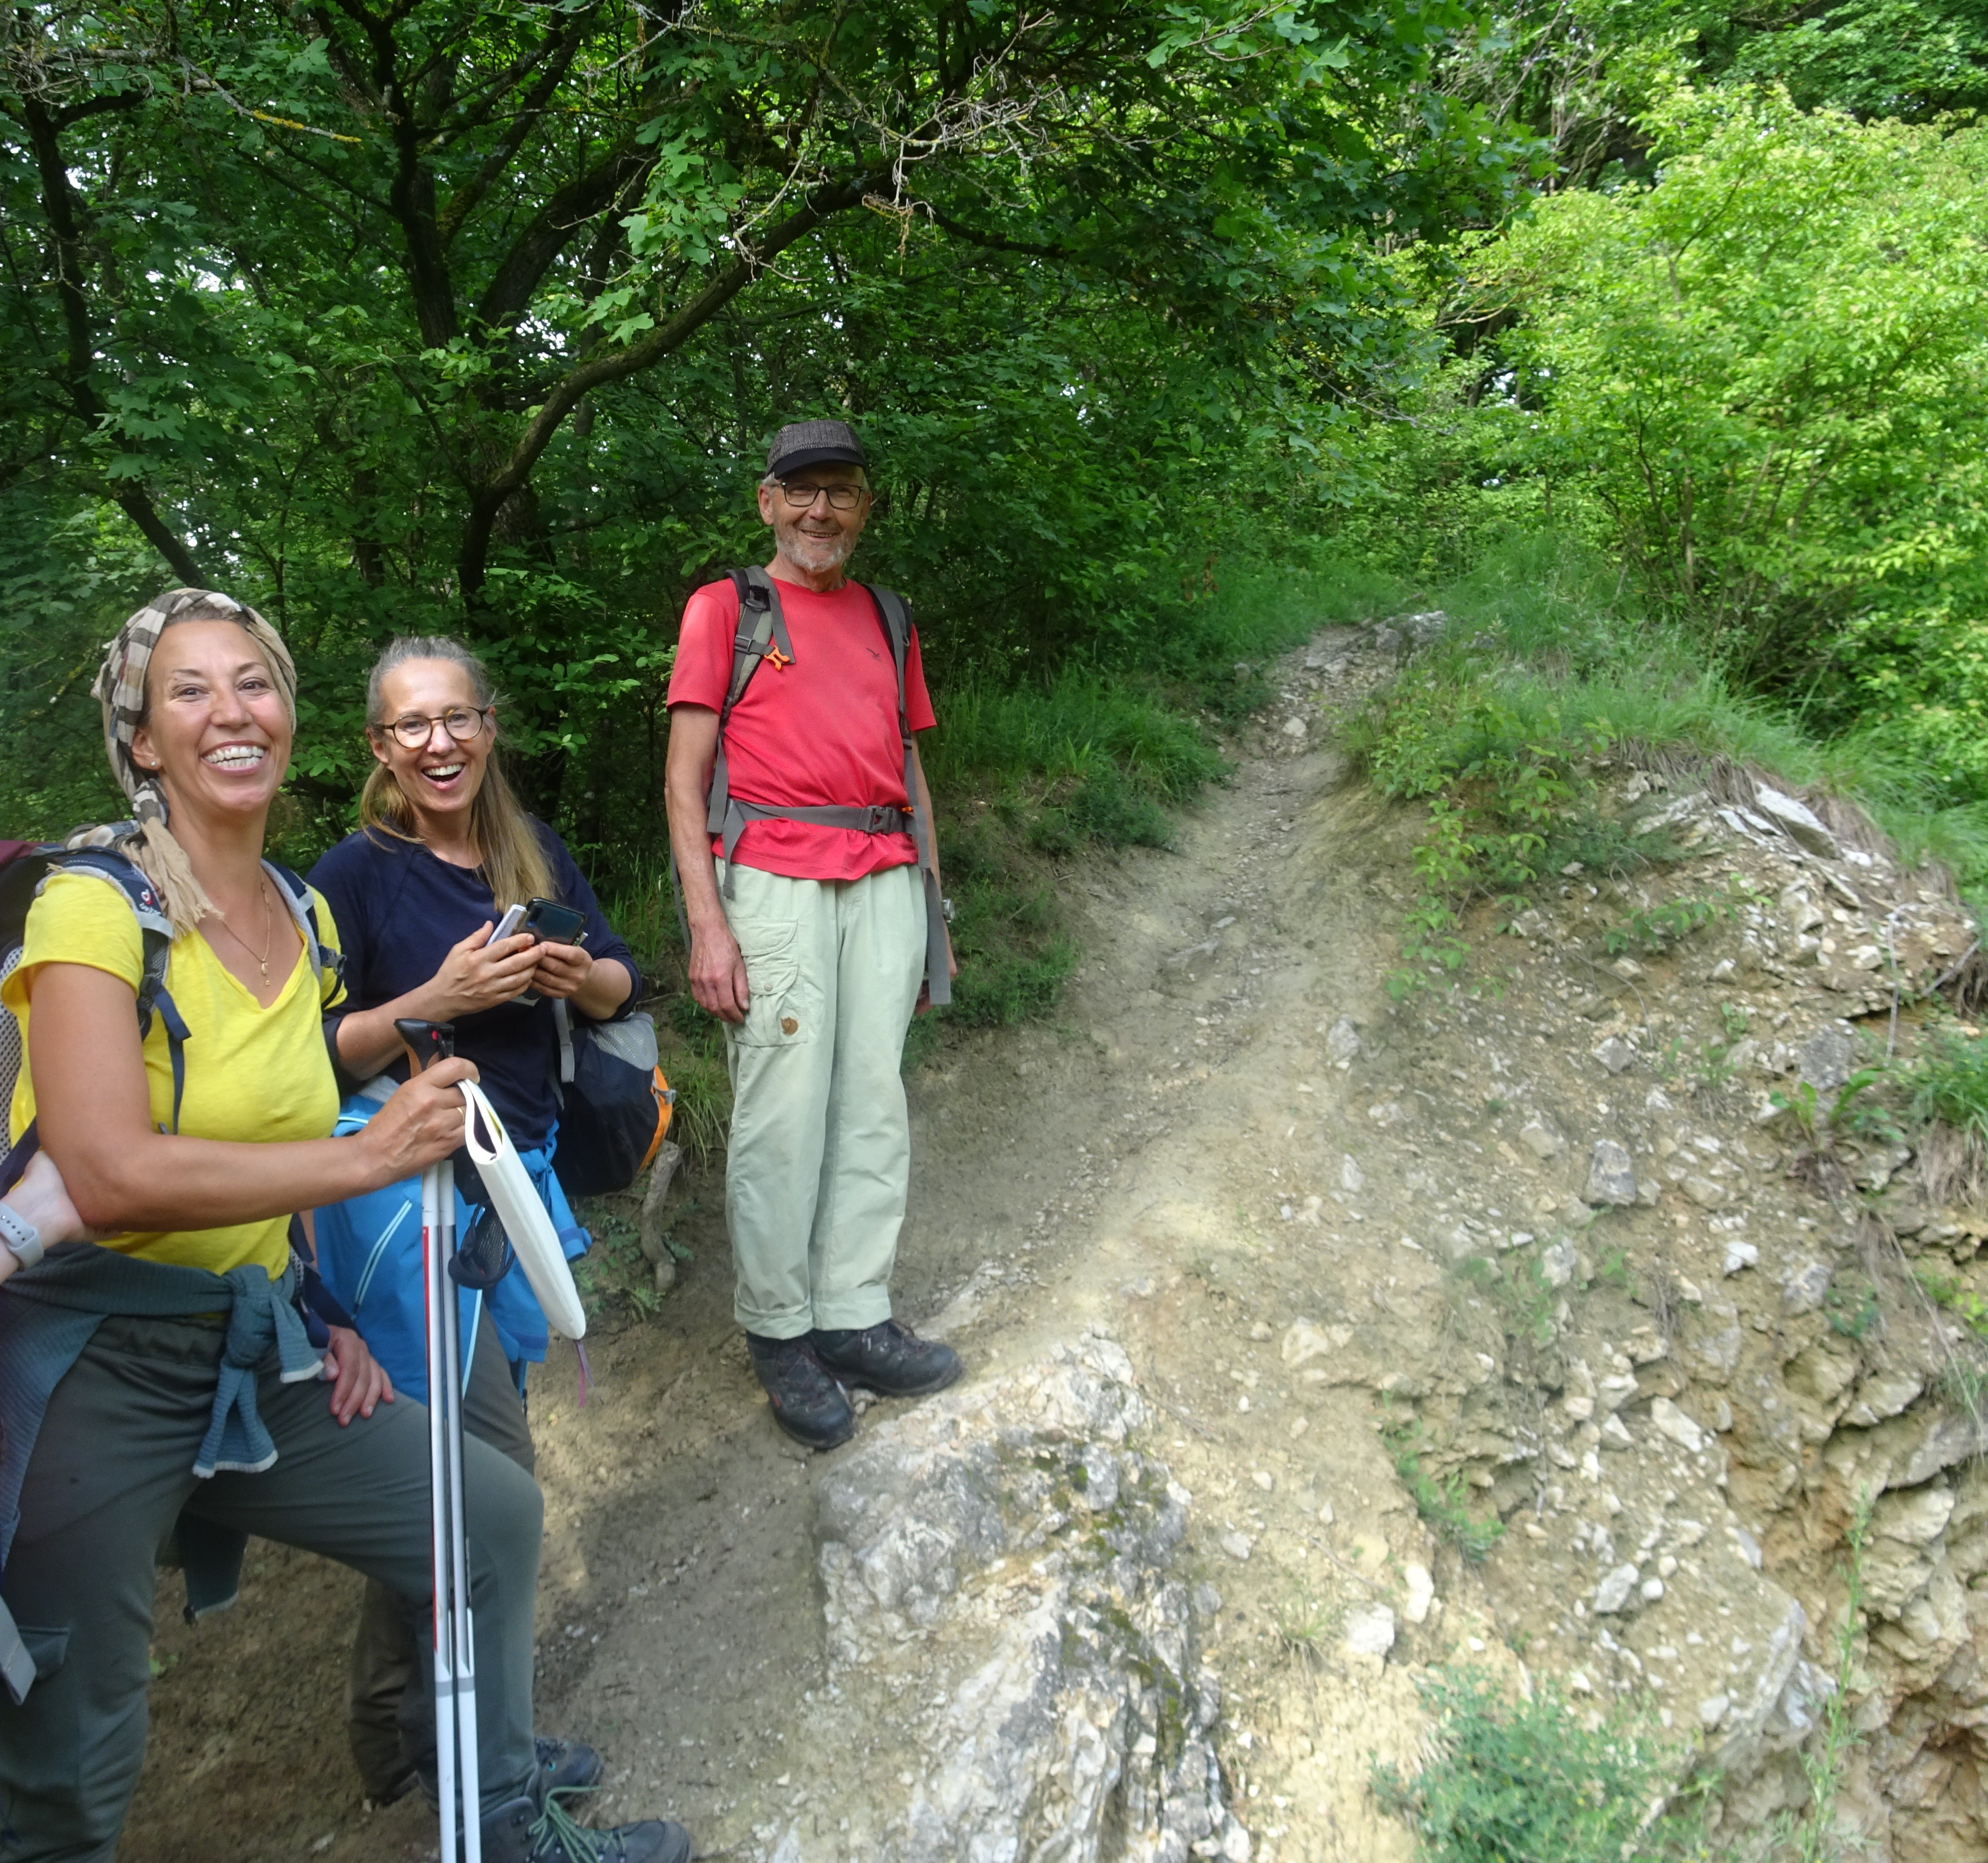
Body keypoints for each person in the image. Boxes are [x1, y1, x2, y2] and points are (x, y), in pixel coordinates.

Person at [0, 588, 686, 1863]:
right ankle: (413, 1746)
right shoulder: (95, 905)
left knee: (488, 1512)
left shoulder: (302, 914)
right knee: (75, 1758)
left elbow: (283, 1106)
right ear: (142, 738)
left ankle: (506, 1820)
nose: (230, 712)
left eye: (254, 682)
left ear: (292, 716)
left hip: (260, 1336)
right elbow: (106, 1171)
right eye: (190, 691)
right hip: (91, 1357)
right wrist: (365, 1151)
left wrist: (315, 1312)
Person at [308, 634, 640, 1807]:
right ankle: (477, 1763)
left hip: (518, 1183)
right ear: (380, 749)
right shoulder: (348, 875)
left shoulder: (525, 847)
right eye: (413, 726)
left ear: (489, 727)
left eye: (458, 719)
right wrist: (433, 1004)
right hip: (415, 1209)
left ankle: (394, 1733)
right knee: (482, 1478)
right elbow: (307, 1051)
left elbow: (618, 981)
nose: (439, 744)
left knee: (437, 1473)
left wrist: (565, 974)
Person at [664, 419, 962, 1451]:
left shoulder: (888, 618)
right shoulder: (727, 610)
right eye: (801, 492)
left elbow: (909, 765)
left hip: (882, 879)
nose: (819, 511)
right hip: (772, 885)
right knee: (781, 1112)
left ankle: (853, 1312)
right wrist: (708, 925)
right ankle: (780, 1329)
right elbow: (682, 777)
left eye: (839, 492)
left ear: (865, 508)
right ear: (766, 502)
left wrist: (933, 907)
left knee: (872, 1103)